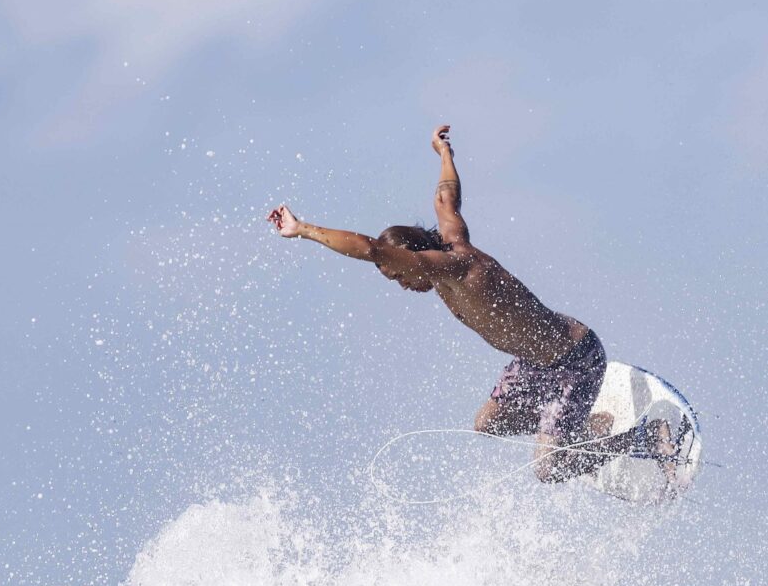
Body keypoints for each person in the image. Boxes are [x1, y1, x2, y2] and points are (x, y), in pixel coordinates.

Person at [267, 125, 672, 483]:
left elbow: (371, 249)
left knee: (548, 469)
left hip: (573, 358)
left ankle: (645, 438)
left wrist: (304, 229)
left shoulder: (458, 265)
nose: (403, 285)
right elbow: (446, 200)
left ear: (414, 260)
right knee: (487, 423)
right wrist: (444, 154)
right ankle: (574, 428)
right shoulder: (448, 241)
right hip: (532, 360)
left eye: (399, 275)